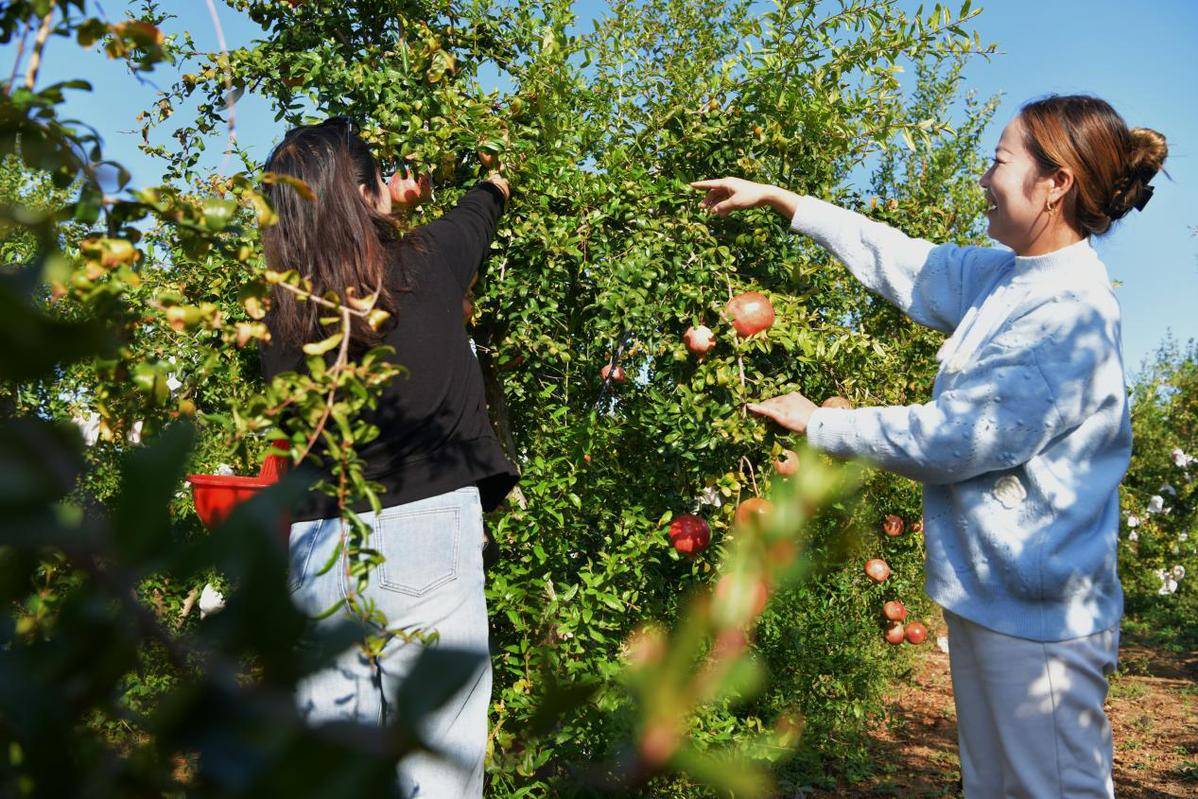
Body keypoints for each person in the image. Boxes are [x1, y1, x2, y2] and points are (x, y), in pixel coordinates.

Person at [691, 94, 1167, 798]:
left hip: (1041, 619)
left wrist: (822, 423)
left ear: (1055, 182)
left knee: (1050, 789)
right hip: (991, 595)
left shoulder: (1069, 314)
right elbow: (906, 262)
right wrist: (788, 202)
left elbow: (960, 438)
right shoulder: (1008, 277)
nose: (983, 178)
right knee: (997, 787)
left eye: (999, 163)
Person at [258, 116, 517, 797]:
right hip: (425, 534)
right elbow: (485, 202)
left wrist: (376, 209)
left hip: (318, 545)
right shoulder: (426, 263)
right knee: (436, 773)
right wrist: (481, 177)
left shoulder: (277, 317)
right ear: (370, 192)